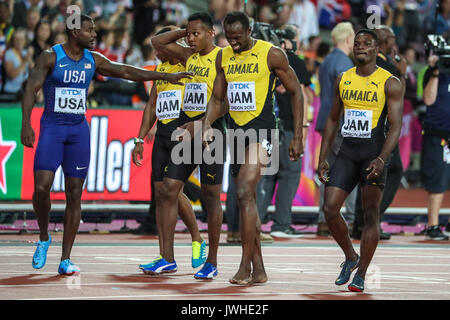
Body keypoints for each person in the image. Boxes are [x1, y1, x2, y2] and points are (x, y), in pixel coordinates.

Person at [20, 14, 192, 275]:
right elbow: (31, 89)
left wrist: (164, 77)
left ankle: (65, 259)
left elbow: (125, 71)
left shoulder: (93, 60)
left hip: (78, 131)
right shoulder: (50, 56)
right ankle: (44, 237)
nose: (94, 35)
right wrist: (26, 123)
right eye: (89, 31)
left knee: (74, 193)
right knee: (41, 189)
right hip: (52, 129)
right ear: (75, 32)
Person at [202, 11, 304, 285]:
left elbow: (297, 91)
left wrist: (298, 136)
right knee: (244, 200)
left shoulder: (271, 54)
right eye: (229, 37)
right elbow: (218, 97)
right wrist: (207, 123)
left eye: (237, 38)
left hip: (263, 132)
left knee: (246, 190)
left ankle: (244, 266)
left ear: (249, 32)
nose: (233, 43)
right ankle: (259, 269)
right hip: (236, 134)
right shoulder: (224, 56)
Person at [318, 29, 403, 292]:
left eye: (367, 44)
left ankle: (362, 273)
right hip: (347, 151)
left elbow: (396, 125)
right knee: (330, 208)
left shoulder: (389, 82)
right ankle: (350, 256)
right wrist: (323, 157)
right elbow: (333, 119)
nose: (360, 47)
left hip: (373, 155)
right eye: (357, 44)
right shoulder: (343, 79)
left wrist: (382, 158)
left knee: (369, 216)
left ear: (376, 49)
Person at [146, 12, 226, 279]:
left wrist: (203, 123)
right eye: (189, 34)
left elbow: (227, 102)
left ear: (211, 33)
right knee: (168, 190)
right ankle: (167, 258)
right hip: (186, 131)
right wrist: (184, 32)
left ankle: (211, 262)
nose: (191, 39)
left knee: (211, 198)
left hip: (212, 133)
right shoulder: (188, 56)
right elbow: (157, 42)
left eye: (196, 33)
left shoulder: (222, 58)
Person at [352, 25, 407, 241]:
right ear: (384, 42)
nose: (395, 42)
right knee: (384, 173)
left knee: (366, 174)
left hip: (364, 128)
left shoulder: (365, 65)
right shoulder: (388, 69)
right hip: (381, 129)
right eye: (392, 38)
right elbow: (399, 96)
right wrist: (401, 71)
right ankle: (369, 221)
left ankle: (362, 222)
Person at [256, 30, 311, 239]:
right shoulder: (291, 61)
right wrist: (302, 130)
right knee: (290, 173)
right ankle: (281, 222)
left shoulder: (258, 58)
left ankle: (257, 223)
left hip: (265, 126)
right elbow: (302, 95)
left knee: (267, 176)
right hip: (285, 125)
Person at [315, 22, 356, 237]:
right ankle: (348, 217)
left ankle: (324, 219)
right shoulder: (344, 63)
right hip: (339, 123)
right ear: (348, 39)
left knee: (326, 171)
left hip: (325, 120)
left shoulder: (327, 60)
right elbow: (347, 96)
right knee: (350, 169)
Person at [421, 53, 450, 241]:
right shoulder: (432, 73)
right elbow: (428, 100)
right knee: (437, 182)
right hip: (438, 135)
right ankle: (432, 226)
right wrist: (436, 72)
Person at [3, 28, 33, 96]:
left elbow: (34, 72)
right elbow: (12, 75)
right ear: (13, 41)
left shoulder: (25, 52)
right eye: (16, 39)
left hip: (25, 92)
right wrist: (25, 61)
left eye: (22, 39)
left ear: (26, 41)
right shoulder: (9, 53)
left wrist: (29, 58)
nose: (19, 42)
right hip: (11, 92)